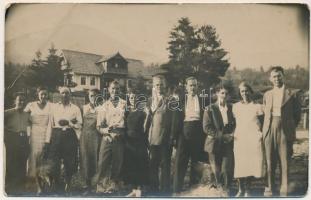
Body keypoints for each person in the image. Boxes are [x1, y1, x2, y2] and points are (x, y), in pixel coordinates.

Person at [262, 66, 301, 197]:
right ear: (270, 79)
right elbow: (265, 115)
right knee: (269, 161)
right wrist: (266, 130)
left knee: (284, 161)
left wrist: (288, 127)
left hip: (284, 129)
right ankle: (270, 188)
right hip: (269, 128)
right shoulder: (267, 94)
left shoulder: (292, 94)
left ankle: (284, 188)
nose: (277, 78)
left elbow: (297, 115)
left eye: (279, 76)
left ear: (283, 76)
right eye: (274, 76)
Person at [173, 77, 207, 193]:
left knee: (196, 161)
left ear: (197, 87)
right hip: (184, 131)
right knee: (180, 162)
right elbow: (176, 119)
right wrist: (175, 137)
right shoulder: (180, 100)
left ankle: (194, 188)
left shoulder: (203, 100)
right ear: (186, 87)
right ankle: (177, 189)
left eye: (194, 85)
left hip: (199, 132)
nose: (193, 87)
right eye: (190, 85)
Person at [93, 80, 127, 193]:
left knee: (118, 161)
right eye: (112, 88)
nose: (115, 91)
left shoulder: (124, 104)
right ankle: (101, 185)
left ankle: (114, 183)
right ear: (108, 90)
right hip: (107, 136)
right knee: (103, 161)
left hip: (120, 136)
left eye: (117, 89)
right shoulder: (104, 105)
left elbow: (128, 121)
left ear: (120, 90)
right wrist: (106, 132)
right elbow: (98, 126)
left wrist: (122, 134)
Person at [202, 83, 235, 197]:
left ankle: (226, 189)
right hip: (214, 143)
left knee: (227, 168)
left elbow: (236, 123)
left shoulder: (231, 108)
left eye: (226, 93)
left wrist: (232, 134)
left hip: (228, 142)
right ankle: (218, 189)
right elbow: (207, 127)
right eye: (222, 93)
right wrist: (221, 136)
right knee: (216, 168)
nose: (224, 95)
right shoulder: (210, 108)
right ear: (216, 94)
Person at [48, 87, 82, 193]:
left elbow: (79, 124)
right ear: (59, 94)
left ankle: (68, 183)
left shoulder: (75, 108)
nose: (64, 95)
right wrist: (48, 140)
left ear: (70, 95)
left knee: (69, 161)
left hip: (69, 135)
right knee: (55, 160)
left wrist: (69, 123)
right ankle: (57, 184)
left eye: (67, 93)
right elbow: (50, 124)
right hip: (57, 135)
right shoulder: (54, 107)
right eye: (62, 93)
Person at [233, 82, 264, 197]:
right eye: (242, 91)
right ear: (239, 93)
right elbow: (232, 123)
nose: (244, 93)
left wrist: (259, 134)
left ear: (250, 91)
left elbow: (263, 122)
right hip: (240, 138)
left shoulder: (257, 106)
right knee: (240, 164)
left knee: (251, 164)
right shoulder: (235, 107)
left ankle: (248, 190)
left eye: (246, 90)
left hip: (253, 138)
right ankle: (240, 189)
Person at [145, 75, 173, 195]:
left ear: (165, 85)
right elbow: (147, 120)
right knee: (153, 164)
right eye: (157, 84)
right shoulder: (150, 100)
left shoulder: (170, 100)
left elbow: (172, 121)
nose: (159, 87)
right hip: (152, 138)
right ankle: (153, 190)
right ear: (153, 86)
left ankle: (165, 191)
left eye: (161, 84)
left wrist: (171, 137)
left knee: (165, 165)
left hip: (165, 138)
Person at [24, 86, 53, 194]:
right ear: (38, 94)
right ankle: (35, 185)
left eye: (45, 94)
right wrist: (28, 133)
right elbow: (24, 118)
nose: (43, 96)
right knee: (34, 159)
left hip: (46, 133)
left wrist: (48, 139)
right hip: (34, 134)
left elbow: (50, 123)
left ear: (48, 95)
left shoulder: (51, 106)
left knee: (43, 160)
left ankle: (43, 185)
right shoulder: (31, 105)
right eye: (41, 94)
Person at [123, 89, 149, 197]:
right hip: (129, 141)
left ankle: (139, 188)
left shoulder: (142, 111)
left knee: (140, 163)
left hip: (139, 140)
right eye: (130, 97)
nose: (132, 99)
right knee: (131, 164)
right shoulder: (127, 111)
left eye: (134, 97)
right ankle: (133, 189)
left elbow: (146, 127)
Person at [4, 93, 31, 195]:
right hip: (12, 139)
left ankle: (20, 187)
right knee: (11, 164)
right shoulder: (7, 113)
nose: (21, 102)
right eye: (19, 100)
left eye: (23, 100)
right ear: (15, 101)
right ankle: (10, 188)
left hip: (23, 139)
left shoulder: (27, 114)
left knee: (22, 163)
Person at [80, 88, 102, 194]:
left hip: (97, 136)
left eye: (95, 96)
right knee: (86, 159)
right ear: (88, 97)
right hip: (85, 137)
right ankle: (87, 185)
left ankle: (96, 185)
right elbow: (79, 124)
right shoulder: (83, 108)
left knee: (96, 159)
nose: (93, 98)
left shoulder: (101, 109)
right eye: (91, 96)